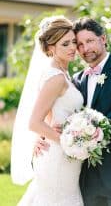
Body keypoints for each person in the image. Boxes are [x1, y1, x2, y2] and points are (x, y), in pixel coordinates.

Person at [36, 17, 111, 206]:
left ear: (103, 39)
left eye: (89, 41)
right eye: (79, 44)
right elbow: (57, 111)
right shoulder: (76, 78)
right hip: (85, 174)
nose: (84, 49)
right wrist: (42, 137)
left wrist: (82, 139)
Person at [11, 16, 84, 205]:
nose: (72, 48)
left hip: (64, 153)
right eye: (65, 44)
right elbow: (34, 122)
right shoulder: (56, 78)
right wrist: (70, 143)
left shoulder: (63, 74)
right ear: (51, 48)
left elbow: (51, 115)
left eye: (73, 42)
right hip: (58, 156)